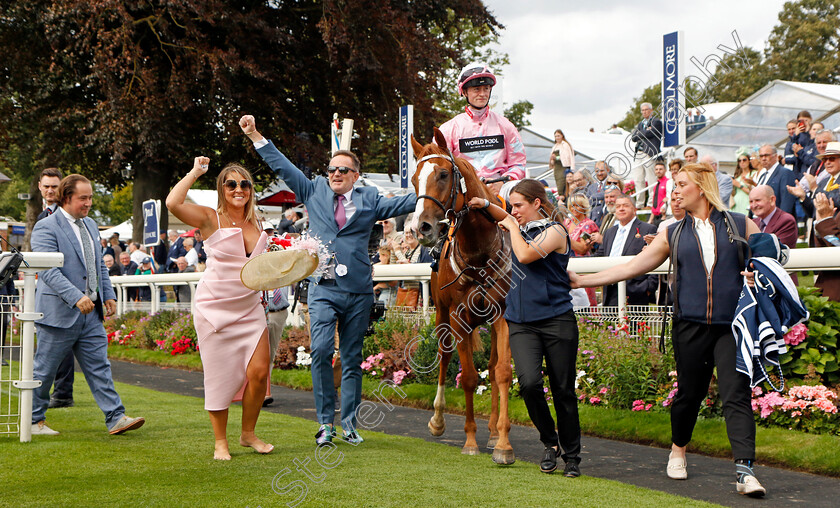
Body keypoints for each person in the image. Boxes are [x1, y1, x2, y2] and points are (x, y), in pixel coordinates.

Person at [571, 163, 766, 497]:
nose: (675, 190)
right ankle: (678, 449)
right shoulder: (672, 232)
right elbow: (634, 266)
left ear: (701, 187)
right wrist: (584, 280)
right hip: (689, 325)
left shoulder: (739, 223)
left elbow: (770, 257)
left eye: (681, 184)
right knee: (690, 395)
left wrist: (756, 272)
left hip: (732, 326)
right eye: (673, 184)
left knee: (736, 394)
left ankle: (744, 470)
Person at [240, 114, 416, 446]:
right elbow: (282, 165)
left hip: (360, 291)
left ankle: (348, 423)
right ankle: (325, 423)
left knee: (351, 357)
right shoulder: (313, 189)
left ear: (355, 176)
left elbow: (408, 202)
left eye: (342, 170)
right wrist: (255, 135)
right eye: (331, 169)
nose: (335, 174)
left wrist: (436, 183)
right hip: (323, 289)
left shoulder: (370, 200)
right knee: (321, 351)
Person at [467, 179, 582, 477]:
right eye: (512, 206)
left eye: (519, 205)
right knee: (529, 384)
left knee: (562, 390)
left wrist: (511, 225)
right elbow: (502, 216)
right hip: (520, 323)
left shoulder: (555, 231)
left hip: (557, 321)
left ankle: (572, 456)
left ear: (537, 204)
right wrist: (484, 204)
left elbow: (525, 255)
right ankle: (549, 442)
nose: (513, 211)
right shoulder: (515, 225)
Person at [166, 156, 273, 461]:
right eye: (231, 184)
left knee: (259, 372)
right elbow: (173, 203)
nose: (239, 189)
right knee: (220, 376)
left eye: (245, 184)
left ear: (251, 189)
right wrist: (195, 171)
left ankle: (248, 434)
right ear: (222, 188)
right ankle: (220, 442)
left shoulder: (257, 222)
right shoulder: (209, 217)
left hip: (250, 306)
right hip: (214, 308)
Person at [30, 174, 145, 436]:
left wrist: (108, 294)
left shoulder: (91, 225)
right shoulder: (46, 227)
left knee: (100, 367)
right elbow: (47, 270)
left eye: (91, 197)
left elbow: (98, 266)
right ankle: (33, 420)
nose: (89, 203)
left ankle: (116, 418)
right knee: (44, 371)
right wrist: (75, 296)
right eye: (84, 198)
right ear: (67, 197)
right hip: (58, 314)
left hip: (91, 314)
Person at [438, 62, 526, 196]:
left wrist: (502, 182)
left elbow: (518, 164)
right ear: (465, 92)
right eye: (476, 89)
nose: (482, 94)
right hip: (465, 191)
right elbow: (440, 166)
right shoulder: (448, 129)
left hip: (501, 189)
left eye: (486, 89)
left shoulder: (506, 125)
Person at [34, 167, 79, 409]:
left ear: (62, 187)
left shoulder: (68, 215)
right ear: (39, 187)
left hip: (68, 287)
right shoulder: (43, 216)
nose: (50, 190)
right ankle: (60, 392)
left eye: (55, 186)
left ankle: (62, 393)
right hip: (51, 287)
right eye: (46, 186)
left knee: (61, 343)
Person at [594, 195, 657, 306]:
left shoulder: (647, 229)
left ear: (634, 209)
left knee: (635, 324)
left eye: (625, 205)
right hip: (610, 290)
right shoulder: (609, 232)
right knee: (610, 323)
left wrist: (649, 287)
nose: (621, 209)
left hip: (635, 292)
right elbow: (599, 256)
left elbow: (655, 257)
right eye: (618, 206)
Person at [630, 102, 662, 207]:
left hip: (649, 152)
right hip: (638, 153)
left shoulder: (656, 121)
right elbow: (633, 138)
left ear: (651, 110)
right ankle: (639, 204)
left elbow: (651, 133)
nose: (644, 112)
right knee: (638, 179)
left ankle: (651, 203)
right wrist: (644, 132)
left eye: (646, 110)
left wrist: (640, 133)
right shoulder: (641, 124)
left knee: (651, 177)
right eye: (642, 110)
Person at [755, 144, 797, 216]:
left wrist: (781, 223)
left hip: (777, 222)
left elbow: (786, 203)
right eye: (761, 156)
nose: (763, 158)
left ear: (775, 156)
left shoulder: (785, 173)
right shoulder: (763, 175)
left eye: (766, 155)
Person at [549, 129, 575, 197]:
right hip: (556, 168)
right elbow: (552, 159)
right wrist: (552, 159)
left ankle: (563, 196)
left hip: (563, 167)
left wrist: (556, 157)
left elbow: (567, 157)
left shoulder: (565, 145)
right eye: (555, 136)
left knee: (562, 184)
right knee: (558, 184)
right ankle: (561, 196)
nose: (557, 138)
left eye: (558, 136)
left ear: (562, 136)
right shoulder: (555, 146)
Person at [648, 161, 671, 227]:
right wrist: (650, 220)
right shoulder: (656, 185)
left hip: (664, 216)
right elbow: (655, 203)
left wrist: (664, 215)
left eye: (660, 169)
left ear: (665, 170)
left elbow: (668, 198)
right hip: (656, 217)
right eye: (656, 169)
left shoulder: (668, 183)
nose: (658, 171)